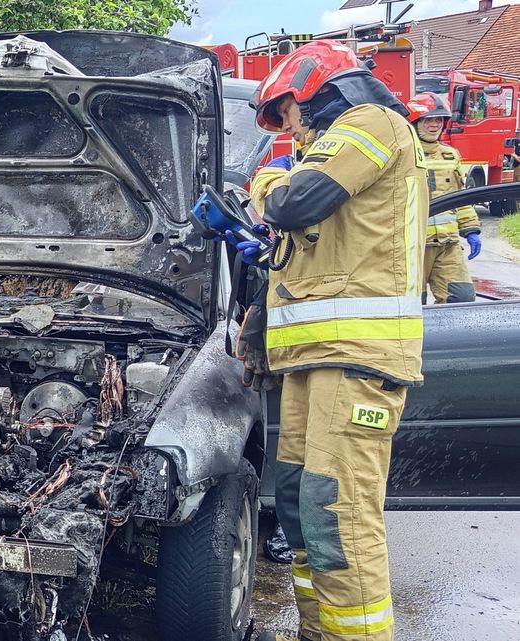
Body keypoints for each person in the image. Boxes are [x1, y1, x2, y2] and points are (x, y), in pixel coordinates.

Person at [225, 40, 427, 641]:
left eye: (285, 112)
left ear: (314, 87)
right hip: (312, 364)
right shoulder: (333, 161)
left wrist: (262, 188)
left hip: (357, 361)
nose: (288, 129)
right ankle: (319, 632)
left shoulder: (370, 124)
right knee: (297, 508)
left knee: (336, 515)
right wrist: (256, 330)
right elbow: (301, 264)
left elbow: (291, 202)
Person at [405, 92, 480, 303]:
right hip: (412, 247)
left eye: (439, 119)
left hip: (448, 246)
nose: (434, 124)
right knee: (411, 306)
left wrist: (470, 229)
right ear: (414, 122)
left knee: (461, 299)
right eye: (429, 119)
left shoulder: (450, 155)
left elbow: (460, 198)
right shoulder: (403, 156)